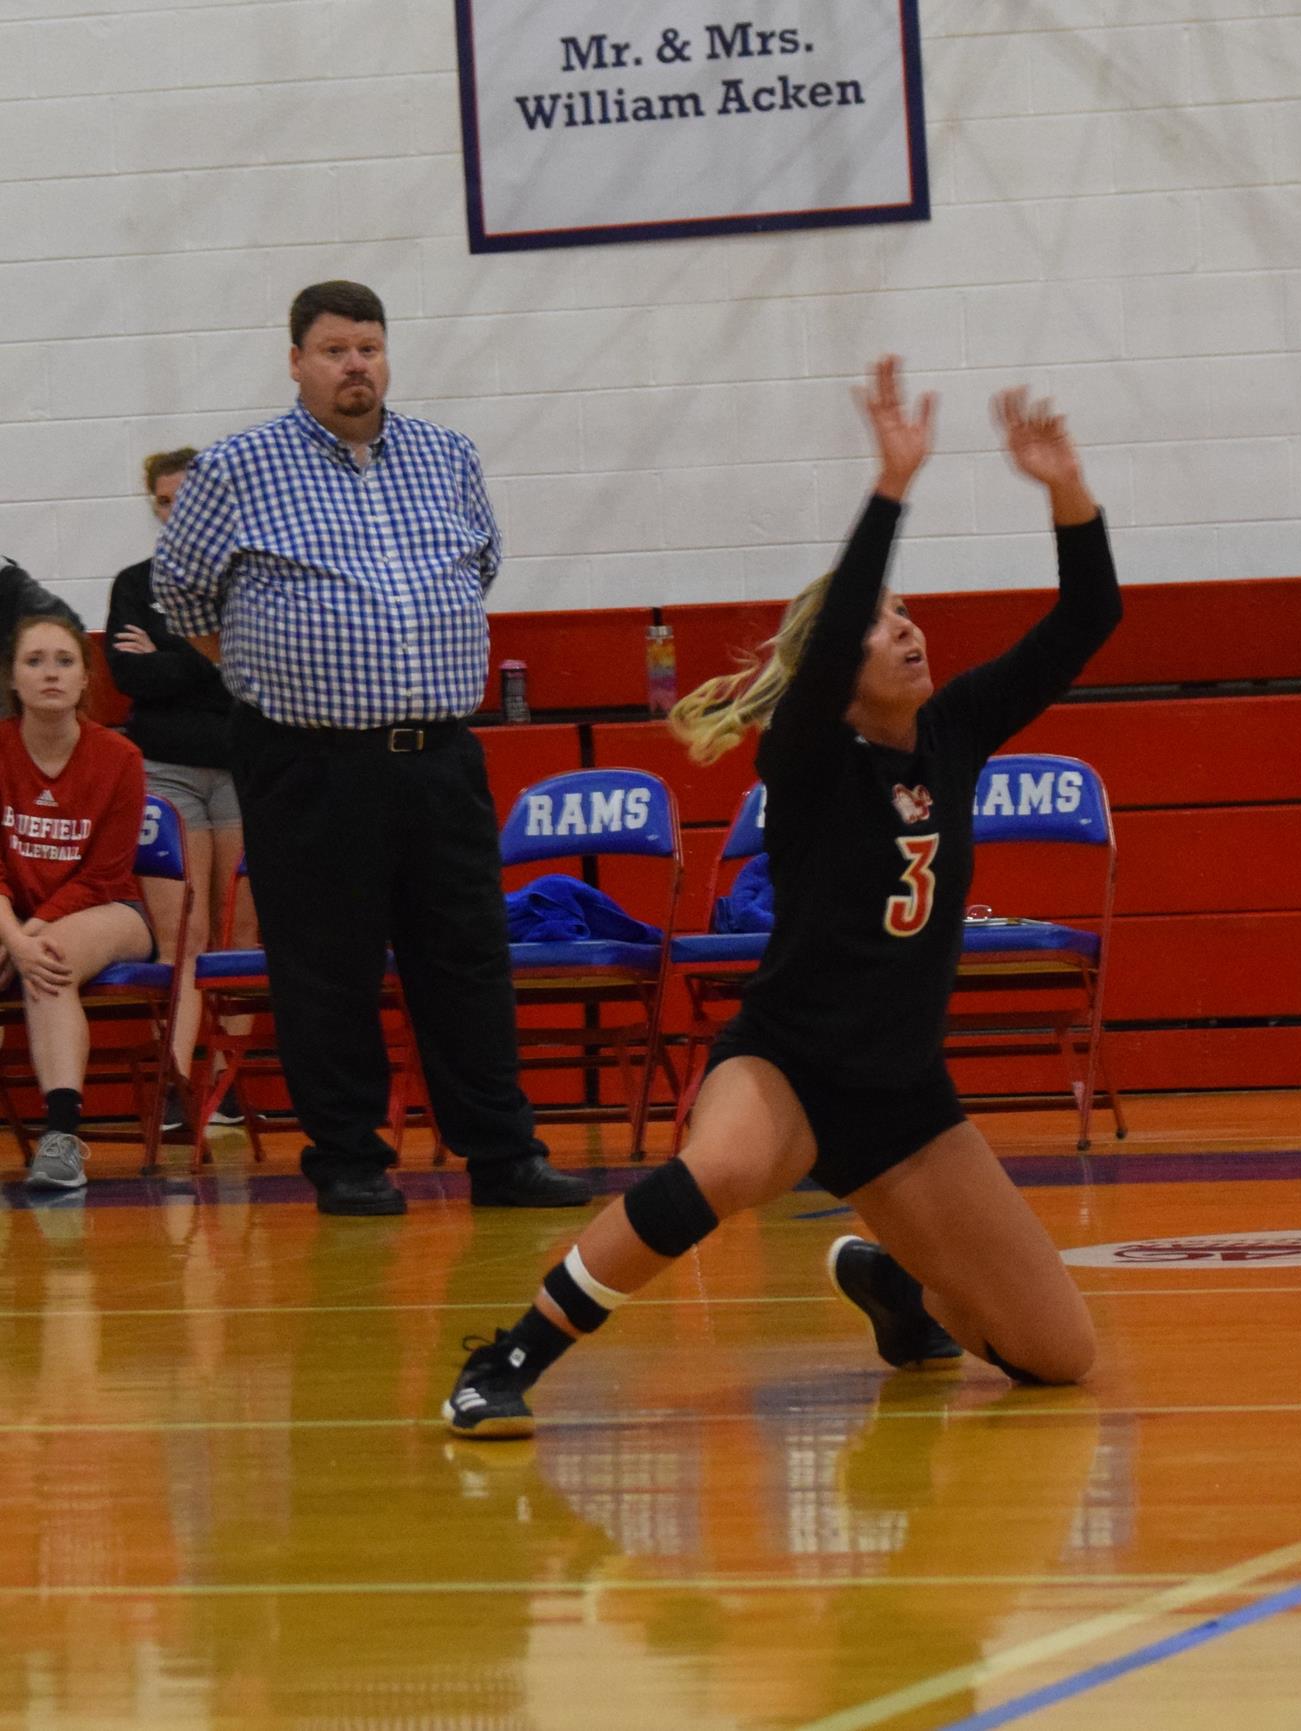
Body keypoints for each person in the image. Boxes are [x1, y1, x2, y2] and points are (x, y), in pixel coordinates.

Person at [443, 357, 1121, 1437]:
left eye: (907, 613)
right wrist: (889, 487)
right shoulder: (806, 757)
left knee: (1059, 1359)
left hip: (902, 1094)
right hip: (790, 1063)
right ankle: (504, 1362)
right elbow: (835, 627)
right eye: (876, 623)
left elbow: (1088, 618)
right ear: (828, 673)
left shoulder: (953, 731)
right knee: (719, 1171)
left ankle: (899, 1286)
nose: (903, 628)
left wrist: (1064, 489)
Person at [152, 280, 588, 1217]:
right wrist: (277, 671)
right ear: (297, 361)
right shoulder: (237, 468)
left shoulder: (447, 455)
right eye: (336, 349)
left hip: (438, 755)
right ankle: (349, 1158)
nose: (357, 364)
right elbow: (183, 599)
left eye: (370, 346)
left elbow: (480, 566)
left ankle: (502, 1154)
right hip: (309, 762)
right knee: (326, 967)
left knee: (467, 958)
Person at [104, 448, 250, 1130]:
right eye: (165, 500)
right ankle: (178, 1081)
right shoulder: (135, 583)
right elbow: (132, 681)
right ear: (156, 508)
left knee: (239, 932)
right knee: (182, 932)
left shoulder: (249, 580)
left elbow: (251, 673)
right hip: (165, 769)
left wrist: (170, 657)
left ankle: (231, 1083)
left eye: (187, 495)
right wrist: (208, 656)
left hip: (246, 764)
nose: (177, 508)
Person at [1, 615, 155, 1189]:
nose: (49, 674)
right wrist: (12, 937)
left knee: (50, 959)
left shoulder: (120, 758)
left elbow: (103, 875)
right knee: (37, 951)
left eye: (64, 661)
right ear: (12, 678)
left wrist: (23, 939)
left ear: (86, 679)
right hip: (13, 917)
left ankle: (62, 1140)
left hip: (110, 910)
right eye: (34, 661)